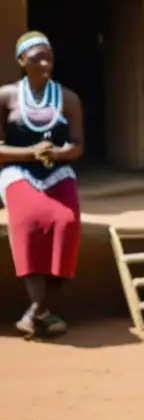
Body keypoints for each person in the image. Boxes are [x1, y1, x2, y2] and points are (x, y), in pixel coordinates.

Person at [0, 32, 84, 339]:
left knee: (66, 222)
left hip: (58, 173)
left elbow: (77, 146)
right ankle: (43, 312)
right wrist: (30, 153)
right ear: (21, 61)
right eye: (37, 58)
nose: (45, 63)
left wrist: (57, 154)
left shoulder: (68, 98)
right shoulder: (6, 96)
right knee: (28, 221)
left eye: (49, 57)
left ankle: (37, 311)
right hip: (17, 172)